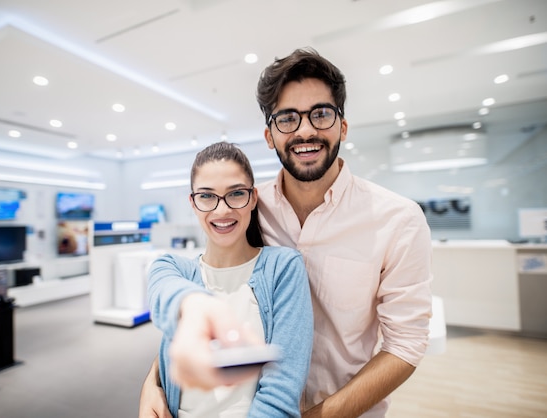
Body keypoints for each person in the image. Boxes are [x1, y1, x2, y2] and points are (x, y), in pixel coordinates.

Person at [141, 47, 433, 418]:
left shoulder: (398, 219)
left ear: (342, 125)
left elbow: (405, 345)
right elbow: (206, 291)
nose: (306, 130)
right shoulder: (246, 206)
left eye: (321, 114)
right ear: (269, 136)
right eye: (288, 119)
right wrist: (152, 380)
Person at [142, 141, 314, 417]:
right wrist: (194, 305)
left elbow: (280, 393)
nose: (222, 210)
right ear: (193, 202)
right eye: (207, 196)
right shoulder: (173, 266)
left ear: (253, 197)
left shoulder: (282, 267)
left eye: (235, 194)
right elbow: (165, 290)